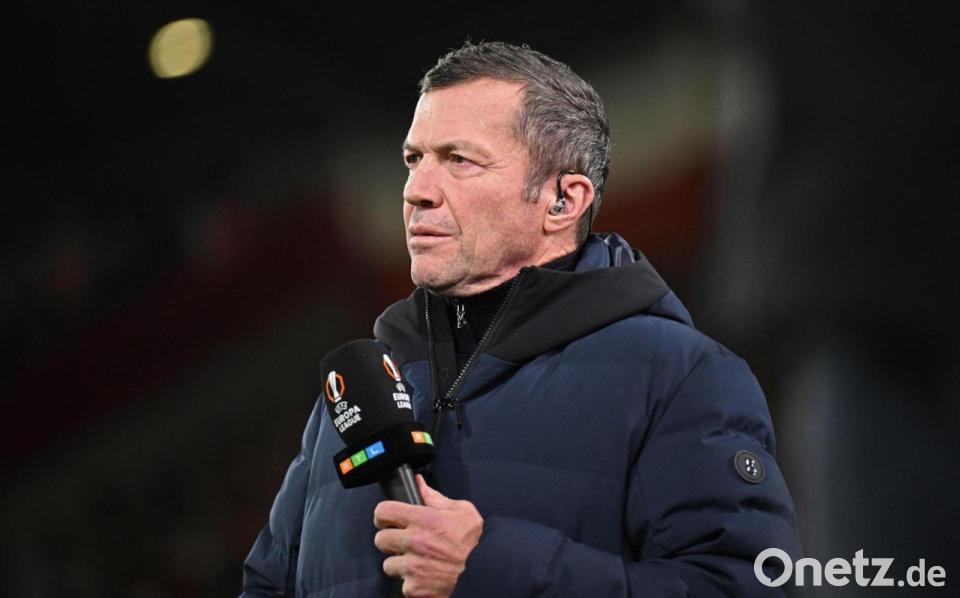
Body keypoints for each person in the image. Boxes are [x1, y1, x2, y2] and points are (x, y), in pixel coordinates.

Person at [241, 41, 801, 597]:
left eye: (459, 160)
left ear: (562, 201)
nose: (416, 191)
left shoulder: (680, 376)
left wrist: (488, 568)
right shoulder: (359, 393)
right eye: (414, 160)